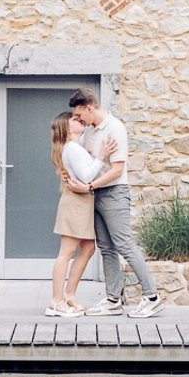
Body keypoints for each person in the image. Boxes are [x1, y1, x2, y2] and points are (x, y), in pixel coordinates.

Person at [66, 87, 163, 318]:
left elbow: (117, 170)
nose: (78, 119)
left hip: (114, 193)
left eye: (80, 114)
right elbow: (88, 162)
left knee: (124, 244)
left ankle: (152, 297)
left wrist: (90, 186)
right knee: (106, 248)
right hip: (95, 194)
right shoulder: (90, 131)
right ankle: (113, 300)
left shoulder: (115, 128)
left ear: (89, 108)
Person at [48, 110, 102, 317]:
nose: (80, 120)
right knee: (66, 252)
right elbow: (87, 176)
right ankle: (56, 301)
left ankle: (69, 295)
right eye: (74, 119)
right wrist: (102, 157)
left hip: (83, 203)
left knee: (88, 248)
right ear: (67, 127)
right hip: (75, 204)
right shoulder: (72, 148)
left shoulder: (76, 146)